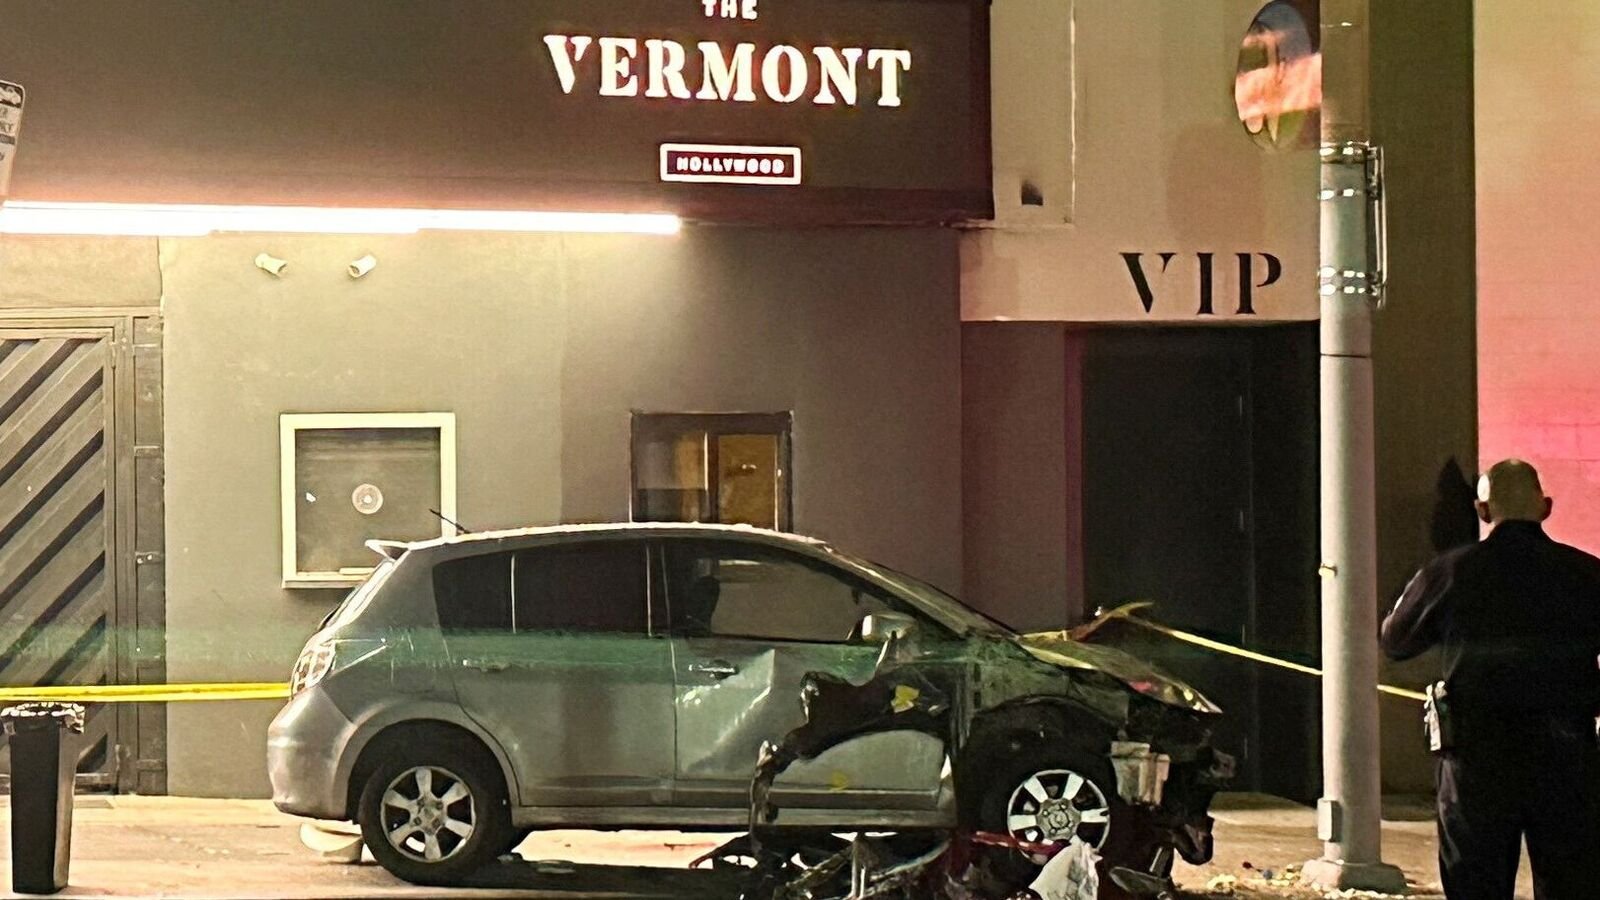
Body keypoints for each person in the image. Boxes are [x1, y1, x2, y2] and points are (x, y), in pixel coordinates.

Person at [1381, 459, 1600, 900]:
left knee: (1475, 881)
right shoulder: (1587, 573)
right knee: (1572, 880)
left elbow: (1396, 640)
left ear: (1482, 512)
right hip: (1567, 752)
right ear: (1547, 507)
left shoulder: (1451, 571)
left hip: (1476, 757)